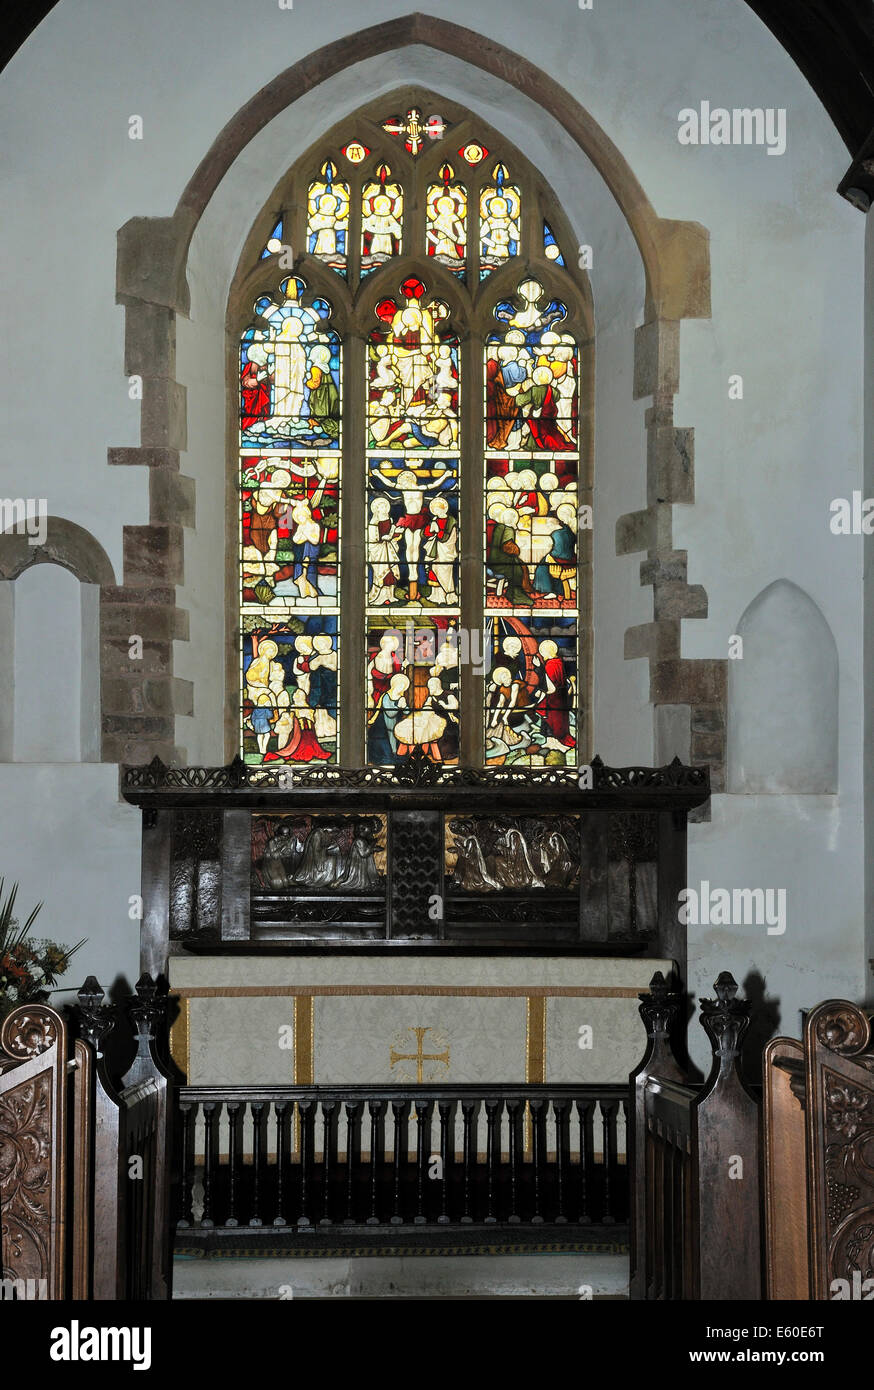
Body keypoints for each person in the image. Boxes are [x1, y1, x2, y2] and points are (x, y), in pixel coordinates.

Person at [533, 502, 577, 601]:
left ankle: (550, 590)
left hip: (563, 560)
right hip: (571, 558)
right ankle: (559, 589)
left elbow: (558, 552)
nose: (548, 526)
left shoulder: (556, 534)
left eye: (549, 524)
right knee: (546, 561)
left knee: (543, 565)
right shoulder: (568, 530)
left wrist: (550, 556)